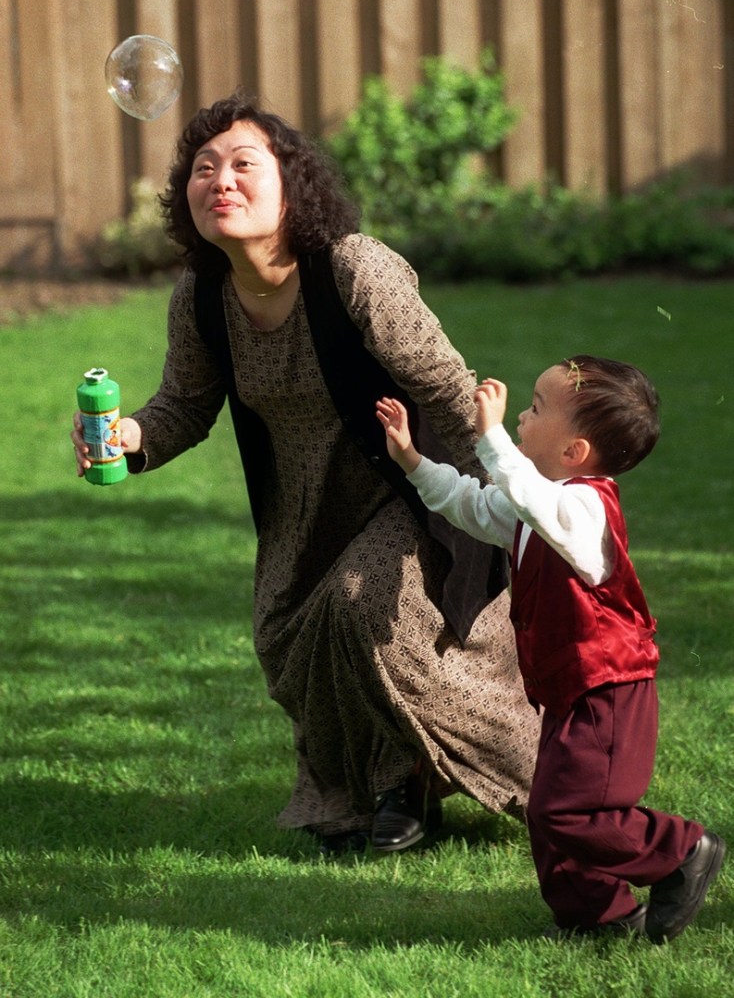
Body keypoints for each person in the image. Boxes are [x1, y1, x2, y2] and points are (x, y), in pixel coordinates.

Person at [71, 89, 539, 855]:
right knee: (289, 636)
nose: (219, 178)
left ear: (294, 185)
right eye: (202, 167)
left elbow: (450, 389)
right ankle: (391, 787)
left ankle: (550, 779)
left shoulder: (356, 270)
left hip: (415, 485)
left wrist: (514, 501)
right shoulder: (201, 298)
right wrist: (128, 437)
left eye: (243, 163)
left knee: (364, 609)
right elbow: (184, 407)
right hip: (303, 509)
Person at [377, 355, 725, 940]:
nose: (519, 416)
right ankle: (601, 918)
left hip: (609, 688)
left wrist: (486, 435)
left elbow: (526, 496)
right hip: (569, 686)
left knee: (570, 812)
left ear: (574, 454)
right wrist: (414, 462)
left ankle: (682, 851)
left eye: (536, 409)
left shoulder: (582, 509)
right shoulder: (539, 506)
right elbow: (472, 505)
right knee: (549, 814)